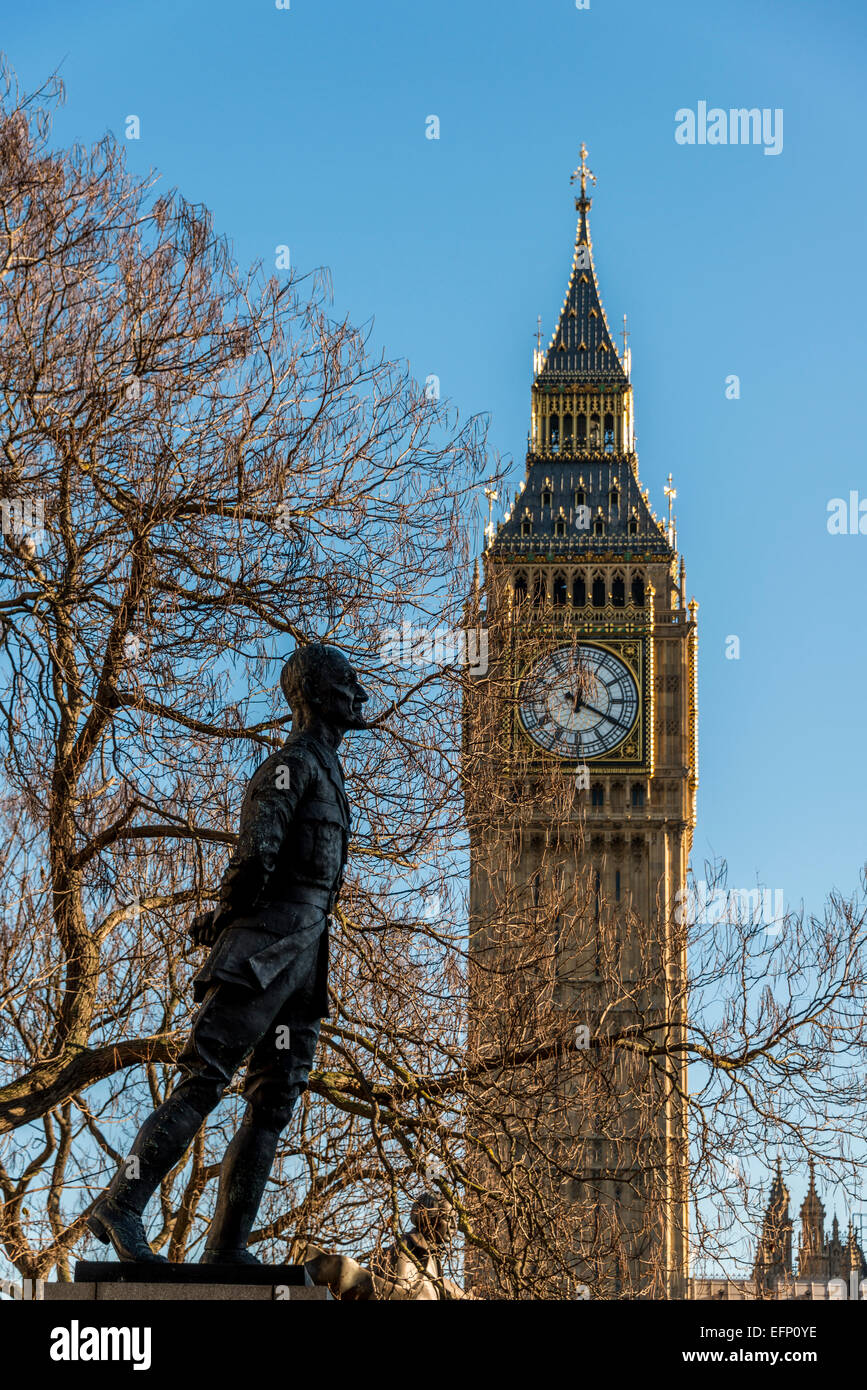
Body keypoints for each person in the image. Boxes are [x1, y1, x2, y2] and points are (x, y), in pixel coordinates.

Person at [87, 643, 369, 1264]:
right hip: (258, 957)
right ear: (318, 694)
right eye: (350, 684)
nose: (362, 696)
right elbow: (252, 861)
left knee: (273, 1100)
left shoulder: (328, 772)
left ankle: (227, 1248)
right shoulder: (290, 767)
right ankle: (121, 1203)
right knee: (205, 1081)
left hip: (303, 965)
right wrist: (224, 916)